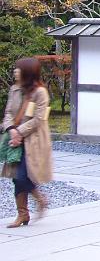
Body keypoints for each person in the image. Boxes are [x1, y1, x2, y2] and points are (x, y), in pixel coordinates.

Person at [1, 57, 53, 228]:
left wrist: (19, 132)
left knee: (23, 175)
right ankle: (22, 214)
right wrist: (11, 130)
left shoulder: (40, 93)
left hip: (33, 141)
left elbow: (39, 119)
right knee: (16, 177)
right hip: (15, 138)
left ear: (28, 72)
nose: (15, 72)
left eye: (18, 69)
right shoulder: (14, 89)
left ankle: (40, 199)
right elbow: (8, 112)